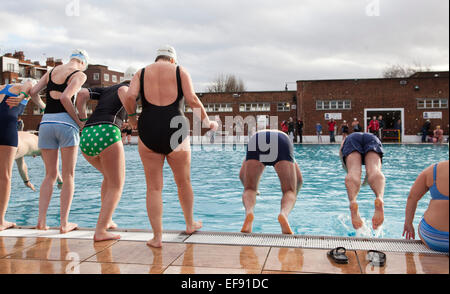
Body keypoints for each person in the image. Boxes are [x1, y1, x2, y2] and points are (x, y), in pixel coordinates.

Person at [123, 45, 218, 248]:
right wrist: (207, 122)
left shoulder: (141, 72)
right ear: (172, 59)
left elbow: (129, 97)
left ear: (157, 58)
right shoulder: (179, 71)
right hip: (176, 130)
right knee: (183, 182)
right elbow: (192, 100)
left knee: (154, 187)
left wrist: (132, 120)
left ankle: (157, 237)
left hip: (148, 129)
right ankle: (190, 224)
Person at [29, 49, 89, 234]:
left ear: (71, 58)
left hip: (46, 124)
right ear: (84, 63)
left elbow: (33, 92)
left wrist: (45, 108)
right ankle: (64, 224)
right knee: (68, 175)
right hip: (66, 126)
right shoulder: (79, 74)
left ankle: (41, 221)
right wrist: (79, 122)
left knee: (50, 175)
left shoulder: (51, 71)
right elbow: (65, 98)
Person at [75, 70, 135, 242]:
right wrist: (132, 119)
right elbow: (124, 93)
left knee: (109, 178)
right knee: (117, 183)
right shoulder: (127, 88)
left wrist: (82, 118)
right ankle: (100, 230)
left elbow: (81, 94)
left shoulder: (107, 89)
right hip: (107, 132)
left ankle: (106, 220)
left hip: (87, 134)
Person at [240, 129, 303, 235]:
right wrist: (294, 192)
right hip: (281, 140)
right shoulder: (286, 144)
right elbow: (300, 180)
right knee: (288, 190)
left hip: (257, 138)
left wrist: (253, 189)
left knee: (249, 189)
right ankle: (283, 214)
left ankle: (249, 213)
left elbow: (241, 175)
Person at [0, 80, 38, 231]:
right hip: (7, 128)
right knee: (4, 176)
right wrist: (23, 95)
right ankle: (1, 220)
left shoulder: (3, 87)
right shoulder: (23, 87)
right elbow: (29, 84)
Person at [339, 132, 385, 231]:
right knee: (375, 170)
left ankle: (353, 201)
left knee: (353, 171)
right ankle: (379, 197)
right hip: (372, 138)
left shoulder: (346, 139)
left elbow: (350, 173)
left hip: (351, 139)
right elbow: (370, 175)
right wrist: (366, 181)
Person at [403, 161, 448, 253]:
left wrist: (408, 223)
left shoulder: (433, 170)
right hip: (434, 237)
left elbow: (412, 197)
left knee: (424, 220)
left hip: (434, 238)